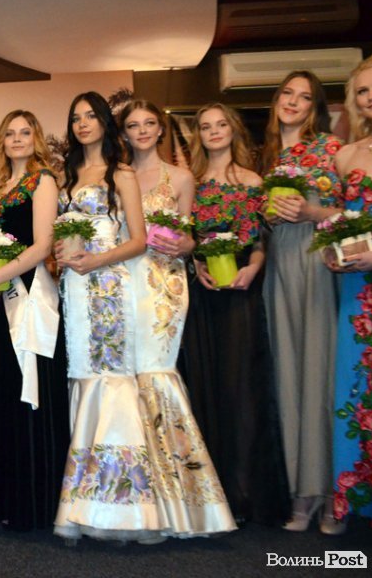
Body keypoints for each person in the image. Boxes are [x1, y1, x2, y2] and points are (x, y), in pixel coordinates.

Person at [124, 99, 234, 539]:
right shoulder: (119, 176)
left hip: (164, 286)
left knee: (157, 374)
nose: (142, 131)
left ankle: (187, 497)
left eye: (149, 123)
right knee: (128, 380)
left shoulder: (182, 177)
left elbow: (190, 237)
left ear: (160, 129)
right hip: (122, 283)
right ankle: (142, 497)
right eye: (134, 125)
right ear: (124, 132)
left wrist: (186, 246)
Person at [180, 103, 291, 526]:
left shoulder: (253, 181)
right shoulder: (190, 182)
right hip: (203, 292)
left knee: (242, 387)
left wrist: (254, 268)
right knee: (205, 388)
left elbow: (261, 243)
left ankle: (246, 492)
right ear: (198, 135)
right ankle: (213, 495)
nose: (214, 132)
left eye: (221, 124)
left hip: (242, 288)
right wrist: (198, 265)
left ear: (233, 129)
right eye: (206, 126)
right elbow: (185, 238)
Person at [52, 92, 148, 541]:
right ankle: (84, 497)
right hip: (73, 290)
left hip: (108, 286)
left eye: (91, 116)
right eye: (76, 118)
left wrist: (98, 260)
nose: (83, 123)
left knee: (111, 380)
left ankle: (122, 503)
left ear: (105, 122)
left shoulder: (121, 174)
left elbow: (140, 240)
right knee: (83, 377)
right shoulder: (65, 176)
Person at [0, 110, 69, 532]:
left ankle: (36, 501)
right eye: (10, 133)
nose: (17, 139)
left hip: (32, 296)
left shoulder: (42, 180)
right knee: (6, 391)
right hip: (6, 297)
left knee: (31, 392)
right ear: (2, 140)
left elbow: (43, 243)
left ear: (36, 138)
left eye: (25, 132)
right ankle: (9, 497)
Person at [261, 70, 344, 533]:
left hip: (317, 265)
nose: (293, 102)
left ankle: (331, 493)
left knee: (320, 374)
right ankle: (299, 491)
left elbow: (356, 213)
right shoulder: (267, 155)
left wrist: (312, 211)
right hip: (278, 269)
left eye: (305, 97)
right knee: (287, 377)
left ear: (316, 107)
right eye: (287, 93)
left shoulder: (331, 149)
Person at [327, 54, 372, 530]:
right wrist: (333, 250)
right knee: (355, 386)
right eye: (363, 90)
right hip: (357, 288)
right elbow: (343, 222)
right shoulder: (345, 156)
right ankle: (357, 498)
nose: (371, 96)